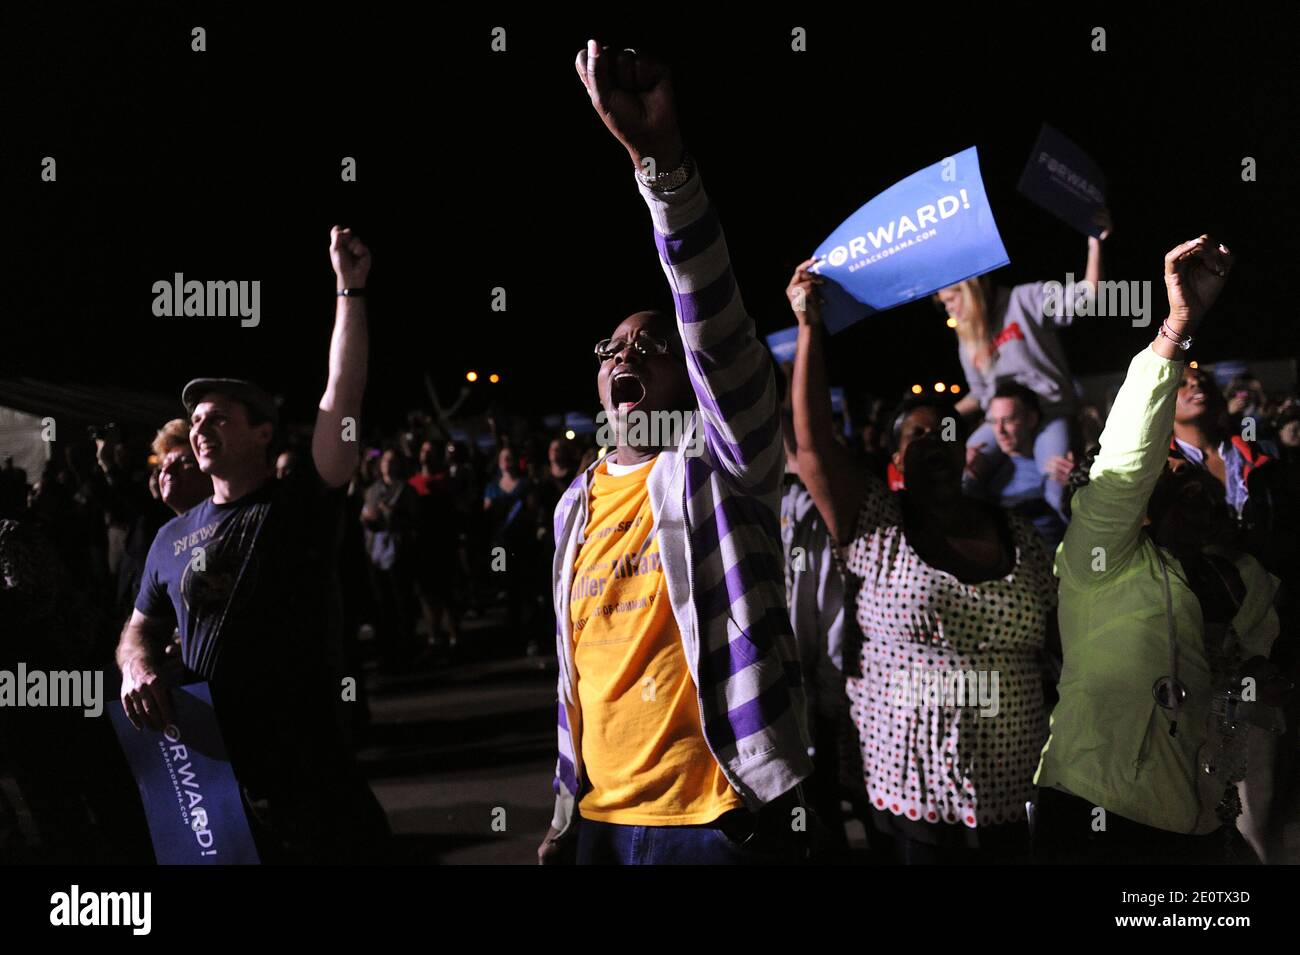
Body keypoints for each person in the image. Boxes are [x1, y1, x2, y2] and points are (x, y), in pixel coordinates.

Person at [537, 40, 813, 866]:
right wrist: (563, 809)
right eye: (612, 346)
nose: (625, 355)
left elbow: (717, 329)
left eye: (651, 345)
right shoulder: (572, 504)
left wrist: (662, 167)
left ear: (685, 378)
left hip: (715, 817)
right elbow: (575, 676)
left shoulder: (718, 463)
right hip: (602, 819)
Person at [115, 225, 390, 863]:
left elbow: (340, 395)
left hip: (309, 769)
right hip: (212, 774)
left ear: (263, 433)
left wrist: (349, 290)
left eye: (220, 418)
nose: (202, 428)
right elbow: (137, 628)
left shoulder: (299, 505)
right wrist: (138, 665)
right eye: (198, 421)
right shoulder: (169, 538)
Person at [788, 257, 1055, 864]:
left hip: (1014, 796)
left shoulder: (1019, 536)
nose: (935, 445)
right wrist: (809, 326)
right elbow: (812, 446)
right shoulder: (875, 523)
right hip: (910, 796)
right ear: (894, 458)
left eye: (947, 436)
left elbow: (1060, 646)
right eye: (916, 436)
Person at [1034, 235, 1291, 864]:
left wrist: (1256, 681)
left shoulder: (1241, 578)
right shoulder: (1103, 557)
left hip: (1199, 820)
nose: (1189, 487)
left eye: (1194, 477)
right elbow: (1126, 458)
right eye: (1167, 475)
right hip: (1095, 808)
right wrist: (1178, 327)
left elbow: (1254, 672)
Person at [938, 210, 1111, 517]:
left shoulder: (1024, 299)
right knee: (964, 473)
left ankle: (1078, 556)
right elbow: (980, 395)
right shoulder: (967, 337)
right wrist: (941, 417)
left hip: (1049, 413)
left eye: (950, 301)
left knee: (1058, 487)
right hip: (1001, 419)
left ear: (970, 291)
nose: (949, 310)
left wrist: (1095, 243)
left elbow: (1088, 296)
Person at [964, 382, 1068, 549]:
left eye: (1008, 420)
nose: (999, 430)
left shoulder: (1052, 470)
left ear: (1031, 419)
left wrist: (1074, 490)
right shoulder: (989, 470)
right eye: (993, 421)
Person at [362, 447, 421, 668]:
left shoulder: (405, 490)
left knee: (401, 601)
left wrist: (390, 515)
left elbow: (414, 519)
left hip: (398, 550)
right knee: (382, 603)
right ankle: (387, 651)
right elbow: (367, 516)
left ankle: (406, 649)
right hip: (376, 551)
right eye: (385, 461)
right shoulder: (373, 490)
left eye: (392, 460)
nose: (388, 465)